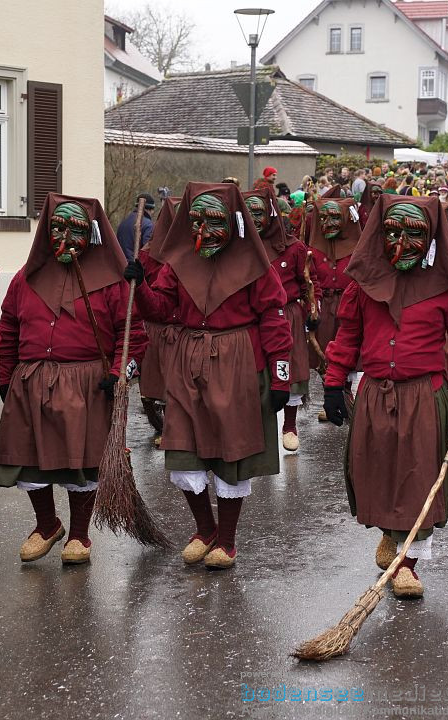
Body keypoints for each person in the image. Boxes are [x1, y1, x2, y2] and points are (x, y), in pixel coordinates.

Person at [322, 195, 448, 598]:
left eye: (414, 233)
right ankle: (392, 534)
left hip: (424, 396)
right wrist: (333, 382)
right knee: (376, 472)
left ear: (430, 237)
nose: (401, 241)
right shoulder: (362, 284)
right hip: (375, 393)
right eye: (393, 231)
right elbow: (346, 338)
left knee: (418, 478)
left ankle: (407, 565)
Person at [126, 181, 293, 569]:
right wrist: (137, 284)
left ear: (233, 224)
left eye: (213, 220)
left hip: (236, 364)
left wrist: (281, 376)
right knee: (184, 449)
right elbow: (160, 308)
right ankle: (205, 529)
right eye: (196, 219)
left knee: (229, 452)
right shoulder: (179, 261)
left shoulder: (255, 265)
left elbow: (274, 320)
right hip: (187, 362)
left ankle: (228, 541)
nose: (203, 229)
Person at [0, 194, 147, 565]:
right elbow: (9, 328)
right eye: (57, 228)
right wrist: (6, 374)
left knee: (82, 464)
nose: (64, 236)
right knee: (29, 461)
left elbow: (133, 338)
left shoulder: (112, 283)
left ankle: (79, 535)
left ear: (91, 234)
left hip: (87, 385)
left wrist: (118, 375)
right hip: (30, 383)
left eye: (75, 230)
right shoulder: (24, 279)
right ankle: (46, 524)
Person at [244, 187, 312, 451]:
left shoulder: (294, 248)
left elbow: (307, 281)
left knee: (290, 371)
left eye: (258, 212)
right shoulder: (239, 248)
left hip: (288, 315)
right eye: (247, 212)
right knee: (256, 372)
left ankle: (290, 424)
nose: (253, 217)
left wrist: (309, 312)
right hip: (253, 318)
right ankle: (260, 427)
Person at [308, 197, 361, 421]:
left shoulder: (358, 247)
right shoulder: (312, 249)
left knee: (348, 349)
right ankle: (332, 395)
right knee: (323, 350)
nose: (328, 222)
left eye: (335, 217)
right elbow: (309, 277)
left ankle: (346, 394)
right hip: (324, 304)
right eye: (324, 218)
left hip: (349, 304)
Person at [137, 197, 181, 446]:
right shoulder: (147, 255)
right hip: (157, 328)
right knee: (157, 383)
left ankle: (179, 429)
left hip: (183, 329)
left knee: (180, 384)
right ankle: (163, 426)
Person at [116, 193, 155, 262]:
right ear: (150, 209)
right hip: (136, 269)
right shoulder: (148, 225)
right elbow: (147, 252)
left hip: (120, 266)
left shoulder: (123, 223)